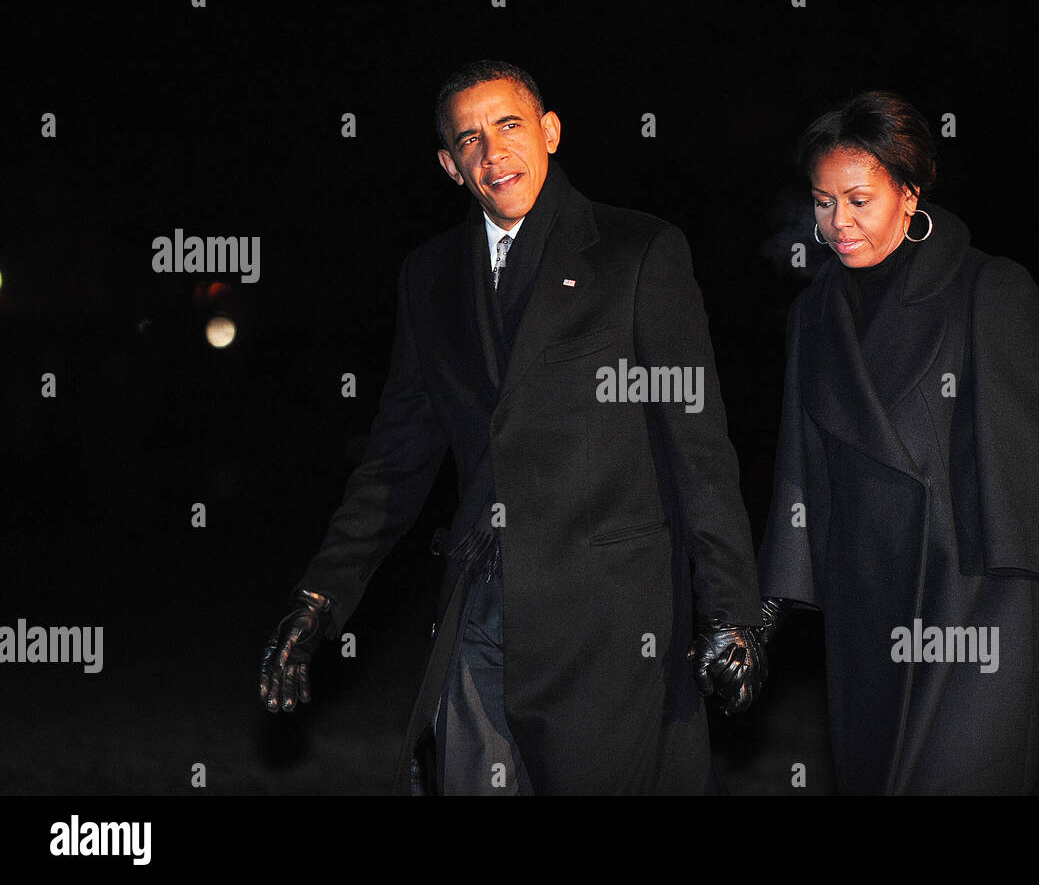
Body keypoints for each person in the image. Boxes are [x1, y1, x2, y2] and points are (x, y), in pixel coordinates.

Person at [258, 60, 767, 795]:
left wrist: (732, 611)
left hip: (611, 623)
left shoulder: (638, 252)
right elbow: (395, 462)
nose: (493, 152)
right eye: (469, 139)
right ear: (450, 165)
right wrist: (320, 598)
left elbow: (699, 449)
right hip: (480, 608)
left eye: (508, 126)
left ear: (550, 131)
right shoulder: (428, 278)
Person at [757, 91, 1039, 794]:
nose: (838, 223)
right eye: (822, 202)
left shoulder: (989, 290)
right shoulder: (813, 317)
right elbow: (801, 478)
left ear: (909, 193)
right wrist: (761, 619)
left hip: (982, 606)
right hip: (869, 621)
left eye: (859, 200)